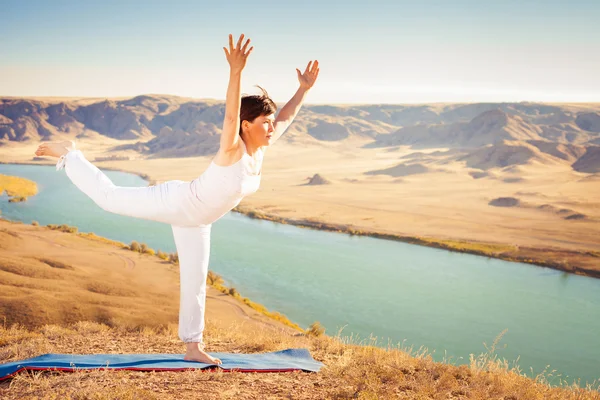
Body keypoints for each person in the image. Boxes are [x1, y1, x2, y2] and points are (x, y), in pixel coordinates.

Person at [34, 33, 320, 365]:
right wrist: (235, 70)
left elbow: (286, 117)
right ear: (246, 125)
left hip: (197, 220)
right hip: (176, 201)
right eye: (265, 124)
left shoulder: (261, 148)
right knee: (109, 199)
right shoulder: (233, 149)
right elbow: (228, 117)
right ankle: (71, 155)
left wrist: (304, 89)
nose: (272, 128)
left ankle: (192, 346)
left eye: (271, 124)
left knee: (195, 281)